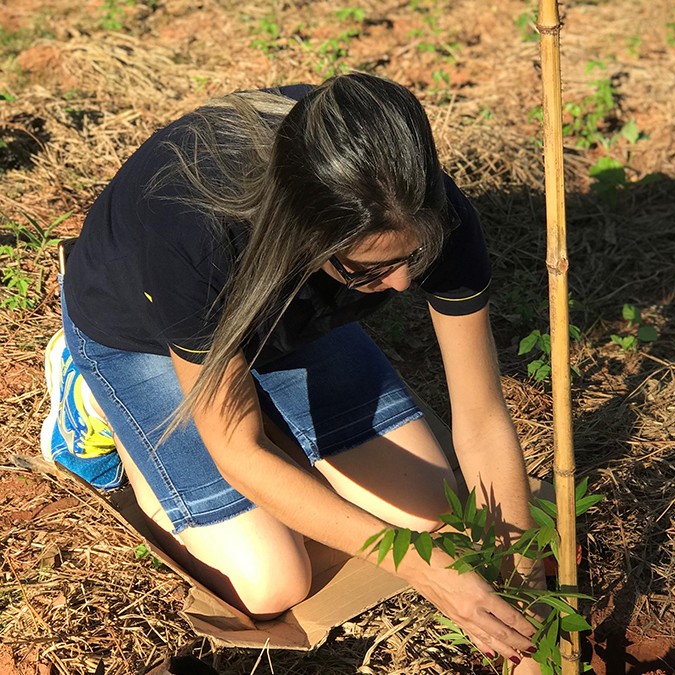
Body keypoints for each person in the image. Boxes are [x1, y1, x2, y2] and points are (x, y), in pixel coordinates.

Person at [52, 72, 543, 670]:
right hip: (141, 333)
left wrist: (526, 594)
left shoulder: (419, 209)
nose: (401, 284)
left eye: (411, 257)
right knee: (271, 581)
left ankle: (270, 388)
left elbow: (482, 414)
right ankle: (89, 391)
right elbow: (239, 449)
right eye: (368, 271)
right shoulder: (195, 231)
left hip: (289, 327)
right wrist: (414, 567)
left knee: (436, 514)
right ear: (302, 232)